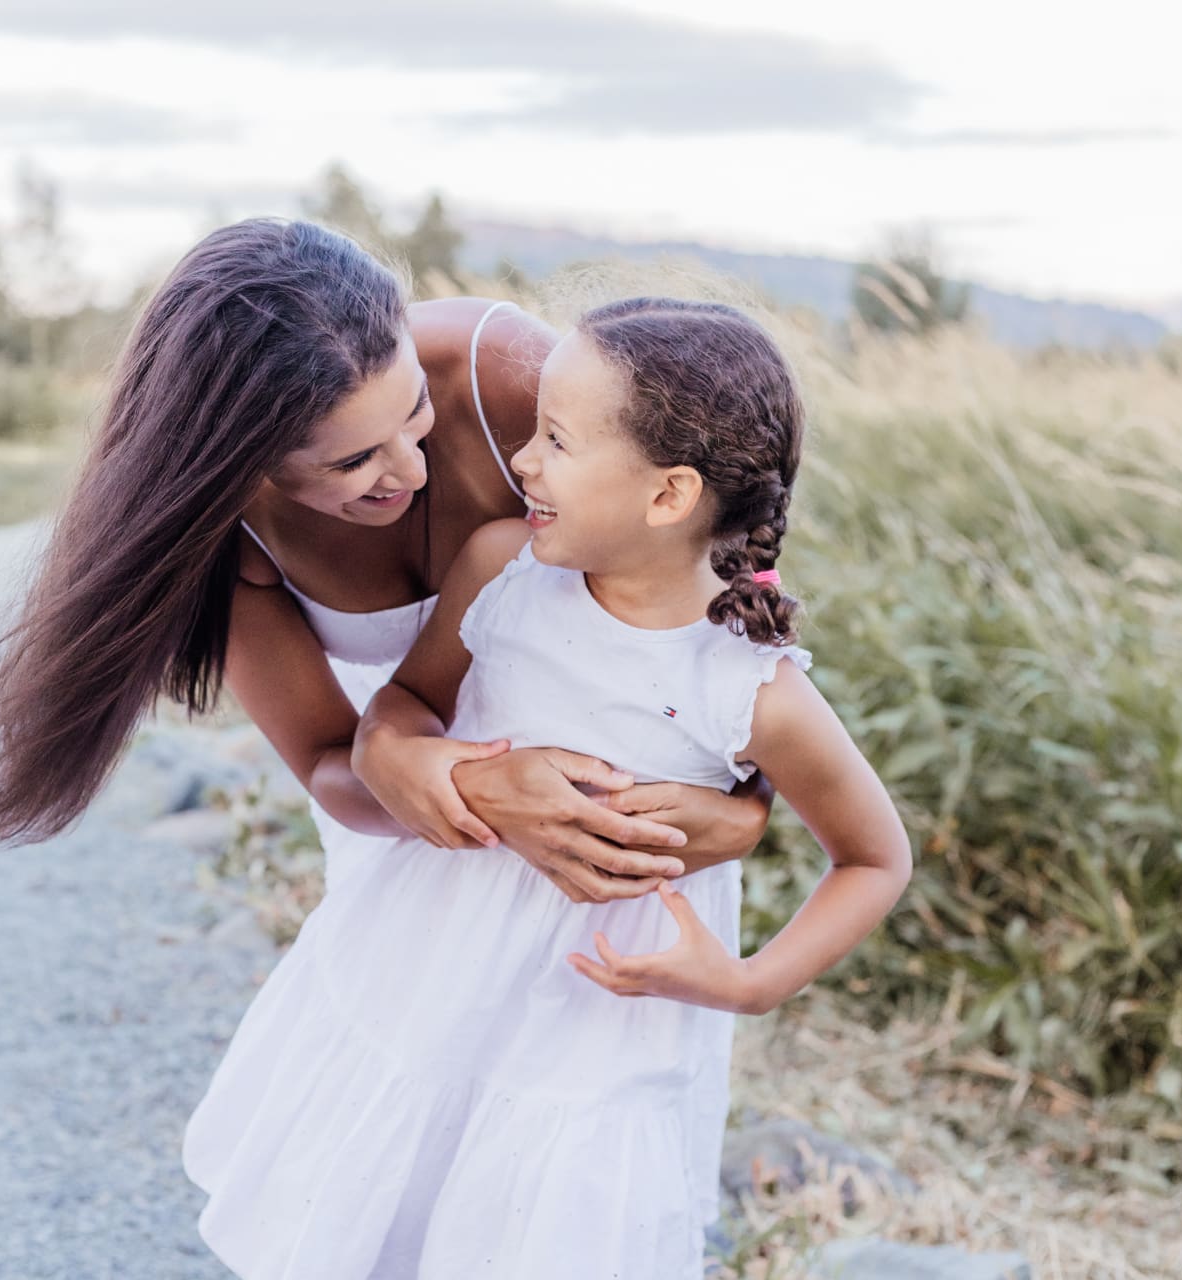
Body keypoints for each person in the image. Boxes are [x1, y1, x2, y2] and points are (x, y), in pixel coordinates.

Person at [183, 297, 912, 1278]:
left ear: (669, 495)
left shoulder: (752, 686)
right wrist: (428, 762)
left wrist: (751, 983)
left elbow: (873, 854)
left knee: (543, 1222)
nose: (521, 462)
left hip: (602, 1000)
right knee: (394, 1189)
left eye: (556, 441)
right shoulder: (502, 568)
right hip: (436, 948)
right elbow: (399, 710)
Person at [0, 218, 774, 897]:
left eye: (413, 411)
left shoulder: (509, 379)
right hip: (413, 845)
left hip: (641, 839)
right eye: (351, 464)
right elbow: (324, 765)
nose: (410, 471)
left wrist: (747, 808)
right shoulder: (231, 546)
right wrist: (459, 783)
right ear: (242, 466)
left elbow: (715, 567)